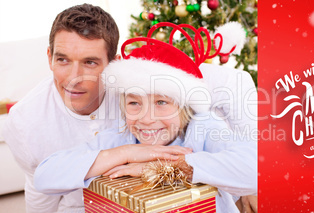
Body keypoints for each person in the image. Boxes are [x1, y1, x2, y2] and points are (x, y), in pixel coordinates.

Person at [3, 3, 257, 213]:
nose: (147, 118)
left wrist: (167, 166)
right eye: (134, 103)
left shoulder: (202, 127)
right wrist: (124, 153)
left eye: (161, 103)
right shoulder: (121, 136)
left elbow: (258, 169)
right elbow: (44, 176)